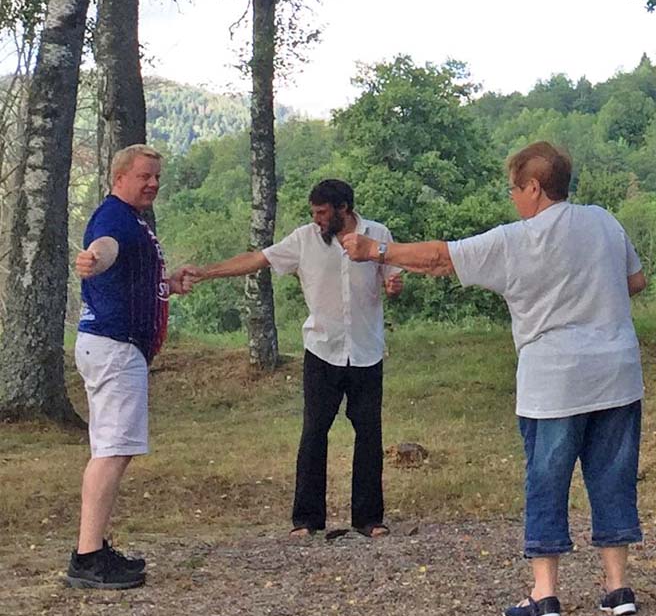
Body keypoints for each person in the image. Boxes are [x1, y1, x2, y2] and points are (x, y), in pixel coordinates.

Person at [342, 142, 645, 616]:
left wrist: (375, 249)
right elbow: (634, 281)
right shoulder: (604, 221)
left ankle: (545, 594)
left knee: (547, 481)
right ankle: (619, 590)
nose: (513, 198)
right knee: (613, 479)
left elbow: (441, 258)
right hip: (618, 373)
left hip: (554, 382)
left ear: (534, 187)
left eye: (514, 189)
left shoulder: (514, 240)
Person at [184, 179, 403, 538]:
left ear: (343, 210)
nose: (317, 220)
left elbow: (392, 276)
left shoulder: (377, 233)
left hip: (366, 350)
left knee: (369, 435)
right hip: (321, 350)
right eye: (314, 214)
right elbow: (258, 259)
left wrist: (394, 287)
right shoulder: (303, 240)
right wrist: (206, 272)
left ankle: (369, 519)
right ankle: (306, 520)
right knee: (314, 434)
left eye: (322, 213)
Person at [66, 145, 191, 590]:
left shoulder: (133, 219)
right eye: (144, 176)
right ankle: (87, 558)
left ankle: (94, 547)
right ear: (119, 177)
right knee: (112, 451)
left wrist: (167, 284)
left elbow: (132, 275)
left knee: (111, 449)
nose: (153, 183)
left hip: (114, 346)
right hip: (115, 348)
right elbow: (104, 249)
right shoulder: (113, 219)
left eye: (157, 176)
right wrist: (93, 260)